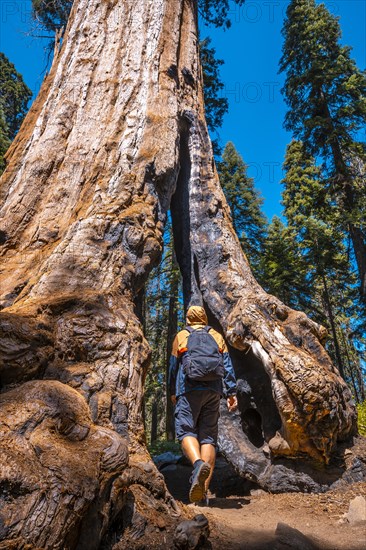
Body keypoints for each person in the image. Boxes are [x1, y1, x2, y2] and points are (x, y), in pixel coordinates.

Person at [168, 305, 238, 504]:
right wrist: (231, 391)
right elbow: (227, 365)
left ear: (189, 319)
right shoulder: (215, 335)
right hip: (213, 391)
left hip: (188, 389)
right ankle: (202, 497)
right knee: (208, 437)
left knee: (186, 430)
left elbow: (173, 367)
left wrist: (172, 392)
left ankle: (198, 464)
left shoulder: (182, 335)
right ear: (204, 318)